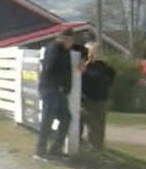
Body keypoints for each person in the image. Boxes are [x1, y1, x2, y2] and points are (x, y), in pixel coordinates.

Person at [35, 29, 79, 158]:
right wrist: (60, 84)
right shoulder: (54, 50)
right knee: (48, 120)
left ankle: (55, 149)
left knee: (65, 118)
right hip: (51, 90)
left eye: (71, 40)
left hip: (58, 91)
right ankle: (41, 150)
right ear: (61, 38)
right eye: (68, 39)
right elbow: (50, 68)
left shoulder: (64, 51)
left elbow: (84, 50)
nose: (70, 42)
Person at [79, 42, 117, 150]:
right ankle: (92, 145)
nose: (95, 54)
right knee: (92, 123)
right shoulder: (86, 66)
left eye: (97, 51)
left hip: (101, 99)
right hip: (87, 99)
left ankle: (98, 146)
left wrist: (108, 89)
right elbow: (84, 77)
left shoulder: (103, 66)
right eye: (93, 51)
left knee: (100, 124)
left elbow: (111, 76)